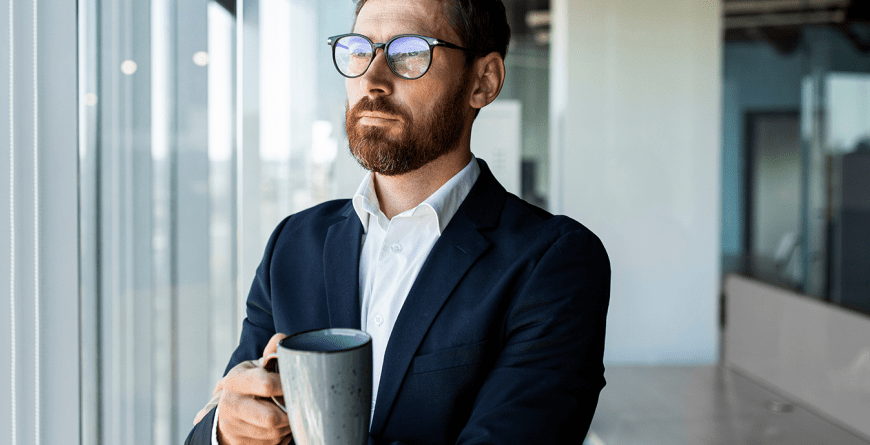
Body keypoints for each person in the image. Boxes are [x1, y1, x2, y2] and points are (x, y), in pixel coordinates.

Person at [185, 0, 610, 442]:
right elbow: (217, 420)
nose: (371, 78)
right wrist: (227, 429)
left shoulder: (553, 262)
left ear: (483, 82)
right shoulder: (293, 244)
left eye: (410, 52)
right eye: (358, 50)